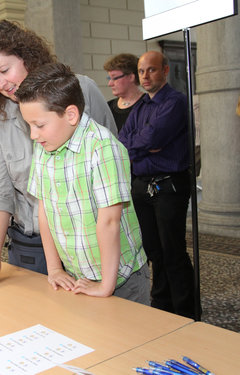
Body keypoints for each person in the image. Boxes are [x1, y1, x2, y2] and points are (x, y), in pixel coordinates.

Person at [0, 20, 117, 288]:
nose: (0, 83)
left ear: (27, 57)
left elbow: (115, 165)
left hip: (91, 242)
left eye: (4, 70)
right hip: (31, 245)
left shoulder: (82, 90)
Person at [15, 62, 149, 304]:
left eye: (39, 125)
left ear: (71, 114)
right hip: (78, 276)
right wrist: (54, 268)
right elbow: (45, 210)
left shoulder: (103, 148)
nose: (33, 135)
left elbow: (109, 222)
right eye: (29, 126)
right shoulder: (44, 147)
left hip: (120, 280)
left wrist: (105, 286)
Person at [119, 51, 196, 318]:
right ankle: (163, 307)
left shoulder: (175, 102)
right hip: (142, 186)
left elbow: (152, 137)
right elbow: (123, 141)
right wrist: (146, 145)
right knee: (153, 250)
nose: (145, 76)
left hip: (169, 186)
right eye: (141, 71)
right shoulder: (140, 105)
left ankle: (186, 311)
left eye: (151, 70)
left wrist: (145, 144)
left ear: (164, 71)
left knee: (172, 249)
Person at [103, 53, 144, 133]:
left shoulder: (148, 105)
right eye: (109, 78)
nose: (110, 84)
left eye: (114, 78)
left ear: (131, 77)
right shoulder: (108, 107)